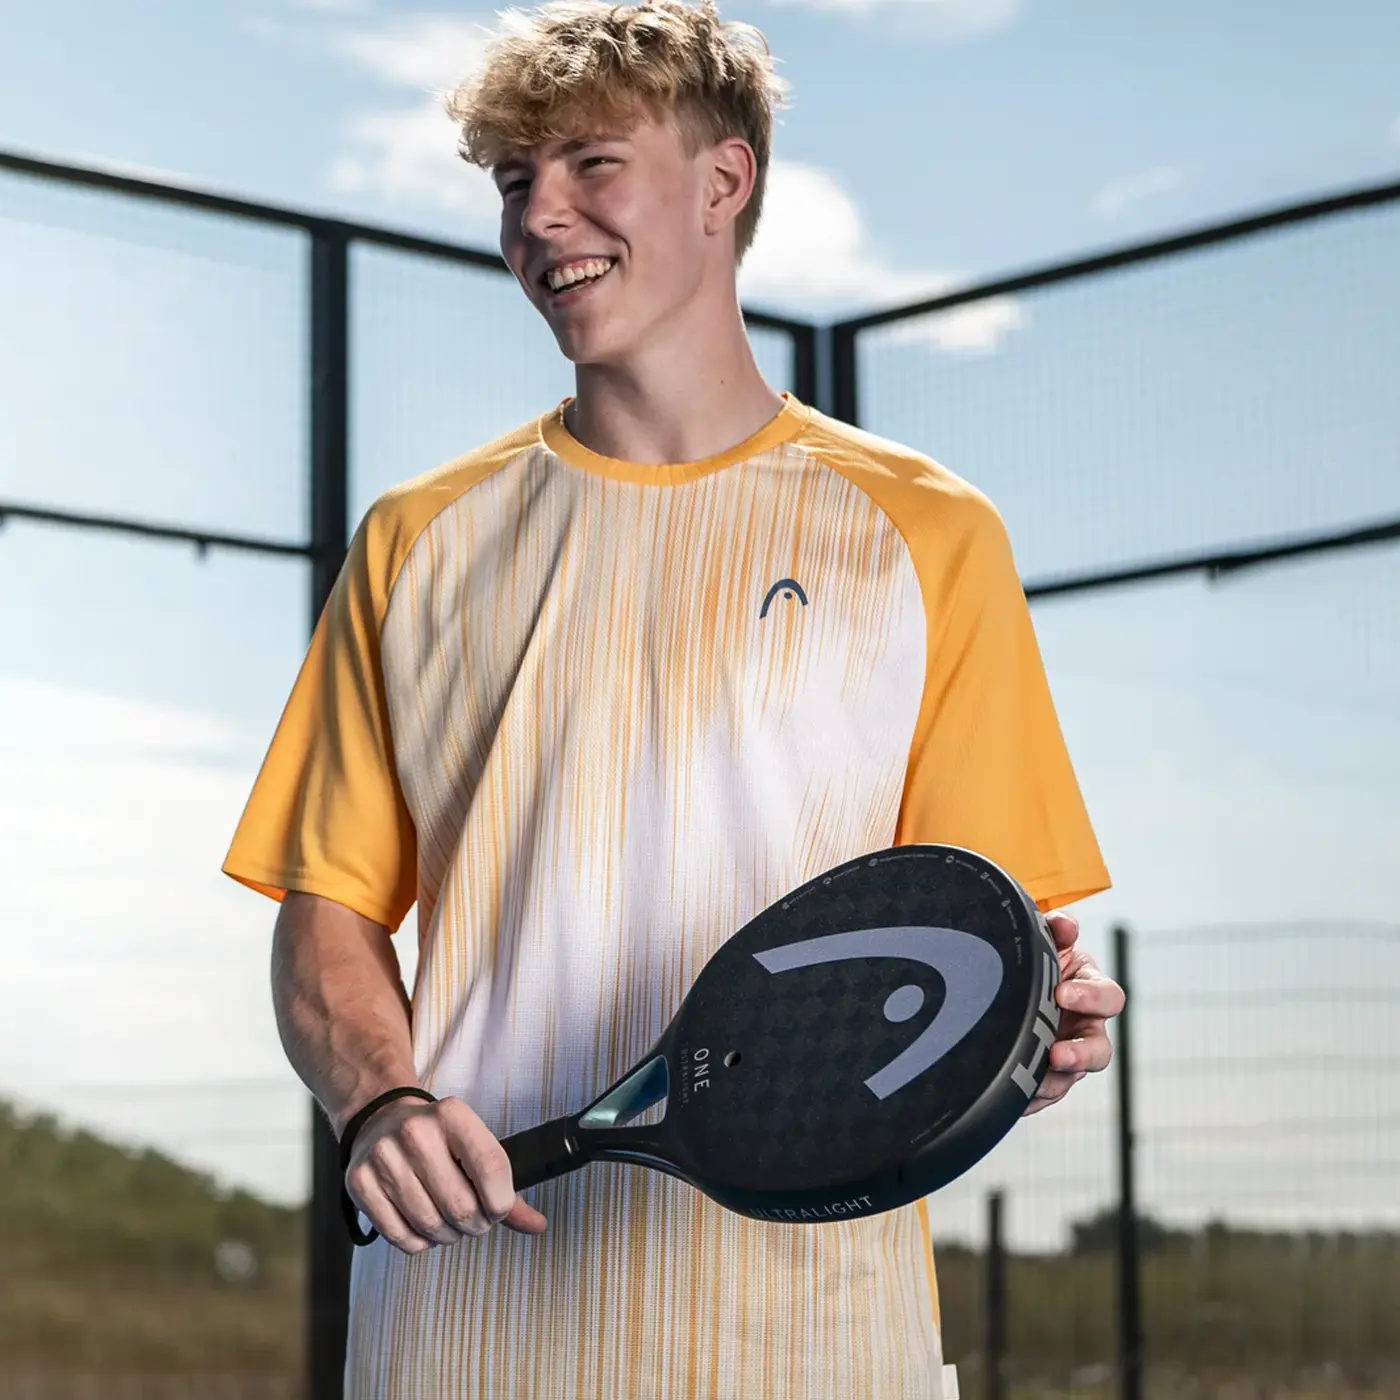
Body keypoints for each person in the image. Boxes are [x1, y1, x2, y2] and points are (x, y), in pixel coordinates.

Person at [222, 1, 1124, 1395]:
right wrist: (379, 1099)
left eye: (592, 163)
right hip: (461, 1335)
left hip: (818, 1344)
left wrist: (1039, 1026)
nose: (540, 217)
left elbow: (971, 933)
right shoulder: (416, 541)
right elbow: (327, 914)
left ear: (724, 181)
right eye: (514, 181)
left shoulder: (929, 533)